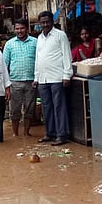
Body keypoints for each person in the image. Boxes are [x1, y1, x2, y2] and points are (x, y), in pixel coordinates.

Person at [33, 11, 72, 146]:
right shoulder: (39, 38)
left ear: (52, 22)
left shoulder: (60, 35)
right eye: (42, 22)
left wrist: (67, 75)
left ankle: (62, 135)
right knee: (46, 107)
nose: (45, 25)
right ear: (39, 23)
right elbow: (38, 59)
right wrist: (36, 77)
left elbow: (67, 55)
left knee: (59, 107)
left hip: (57, 77)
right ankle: (50, 133)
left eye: (47, 22)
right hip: (43, 79)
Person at [3, 18, 38, 137]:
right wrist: (6, 84)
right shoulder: (9, 44)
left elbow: (39, 61)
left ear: (26, 29)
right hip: (14, 81)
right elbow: (4, 65)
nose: (19, 31)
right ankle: (15, 134)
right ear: (14, 29)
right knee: (15, 109)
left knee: (30, 108)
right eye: (17, 28)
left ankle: (26, 133)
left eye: (22, 28)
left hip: (31, 81)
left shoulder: (35, 42)